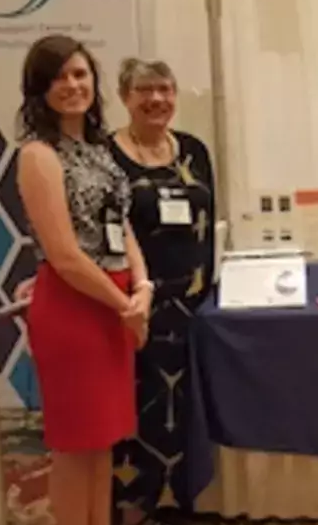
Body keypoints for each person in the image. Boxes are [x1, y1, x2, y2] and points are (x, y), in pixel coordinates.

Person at [15, 35, 152, 525]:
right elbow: (66, 256)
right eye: (58, 77)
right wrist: (124, 304)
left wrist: (144, 288)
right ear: (39, 89)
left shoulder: (97, 150)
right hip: (76, 309)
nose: (72, 85)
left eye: (80, 74)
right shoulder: (38, 155)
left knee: (103, 444)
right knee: (75, 448)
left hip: (113, 303)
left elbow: (123, 225)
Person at [107, 58, 216, 524]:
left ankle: (182, 504)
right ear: (124, 97)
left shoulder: (194, 150)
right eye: (144, 90)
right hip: (133, 305)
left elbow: (210, 226)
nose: (156, 99)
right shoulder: (105, 154)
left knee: (185, 407)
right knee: (137, 406)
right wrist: (131, 298)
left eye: (165, 89)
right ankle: (134, 506)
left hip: (191, 307)